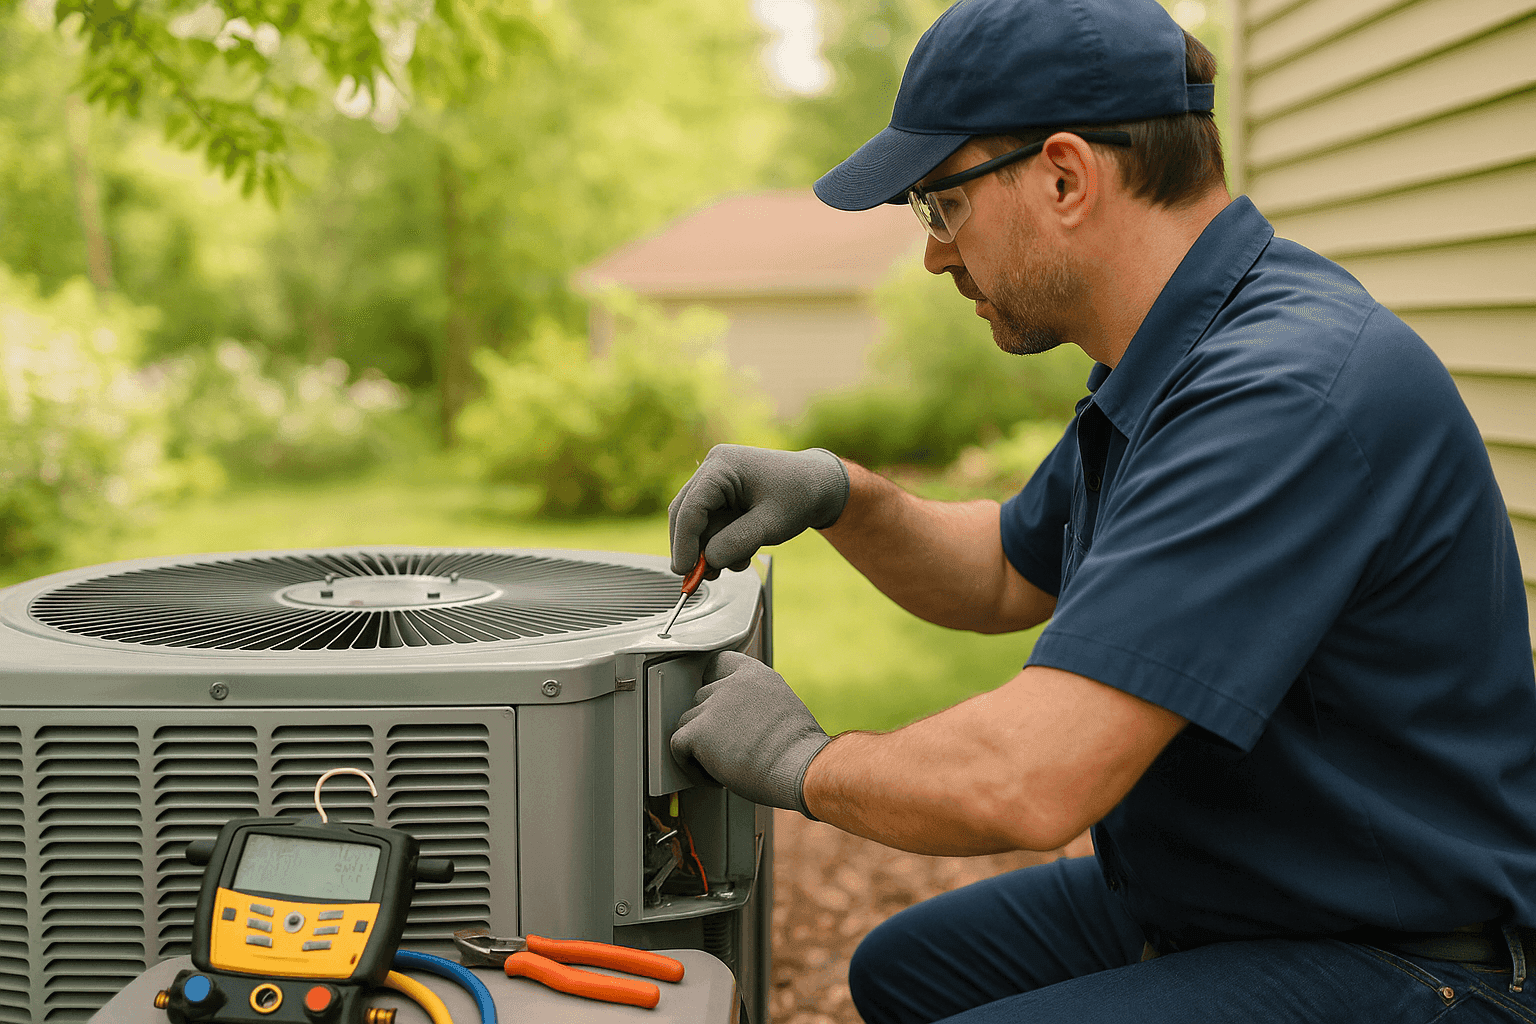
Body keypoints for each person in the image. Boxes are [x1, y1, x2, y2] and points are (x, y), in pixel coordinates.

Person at [667, 0, 1536, 1020]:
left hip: (1405, 954)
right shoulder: (1174, 356)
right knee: (902, 971)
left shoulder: (1279, 392)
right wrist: (837, 494)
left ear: (1067, 176)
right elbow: (1003, 568)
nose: (937, 256)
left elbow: (1033, 779)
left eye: (940, 206)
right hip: (1248, 893)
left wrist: (797, 761)